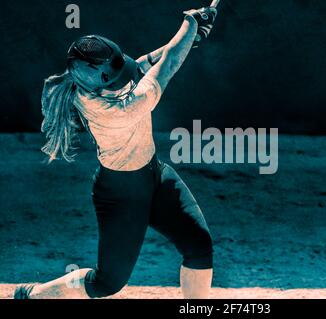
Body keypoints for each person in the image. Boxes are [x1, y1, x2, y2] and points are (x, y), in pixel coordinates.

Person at [14, 6, 218, 299]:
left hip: (154, 175)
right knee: (106, 284)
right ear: (95, 90)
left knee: (199, 246)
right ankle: (34, 295)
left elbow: (144, 63)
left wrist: (190, 38)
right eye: (117, 83)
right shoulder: (118, 110)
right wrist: (190, 24)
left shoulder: (98, 82)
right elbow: (168, 64)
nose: (125, 83)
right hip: (120, 193)